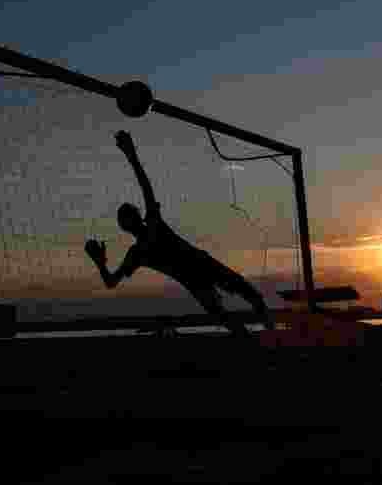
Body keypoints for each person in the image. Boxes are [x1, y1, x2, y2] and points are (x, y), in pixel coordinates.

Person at [86, 130, 271, 338]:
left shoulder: (153, 224)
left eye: (130, 214)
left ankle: (271, 334)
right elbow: (111, 282)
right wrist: (100, 263)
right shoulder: (136, 252)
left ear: (137, 215)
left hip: (203, 264)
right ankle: (254, 340)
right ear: (125, 226)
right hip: (194, 280)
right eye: (126, 217)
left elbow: (145, 186)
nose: (130, 219)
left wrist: (131, 155)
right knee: (225, 316)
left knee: (250, 295)